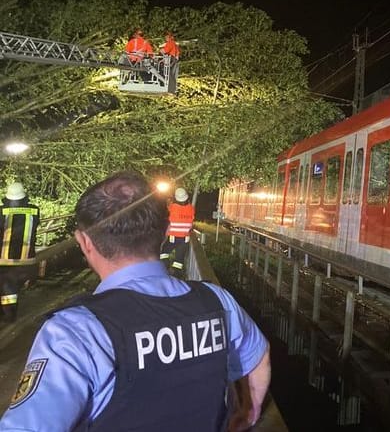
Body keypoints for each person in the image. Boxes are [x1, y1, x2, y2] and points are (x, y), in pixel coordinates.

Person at [0, 171, 270, 431]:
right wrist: (249, 412)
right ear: (164, 232)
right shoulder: (217, 301)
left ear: (84, 242)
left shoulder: (75, 331)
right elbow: (259, 357)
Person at [0, 182, 40, 323]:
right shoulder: (35, 210)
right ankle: (8, 313)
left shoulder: (1, 211)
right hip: (27, 259)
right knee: (11, 285)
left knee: (8, 286)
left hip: (5, 259)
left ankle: (9, 316)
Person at [162, 187, 195, 275]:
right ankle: (176, 275)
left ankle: (165, 270)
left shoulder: (173, 207)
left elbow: (167, 207)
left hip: (174, 237)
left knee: (164, 252)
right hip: (185, 239)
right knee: (179, 261)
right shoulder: (191, 208)